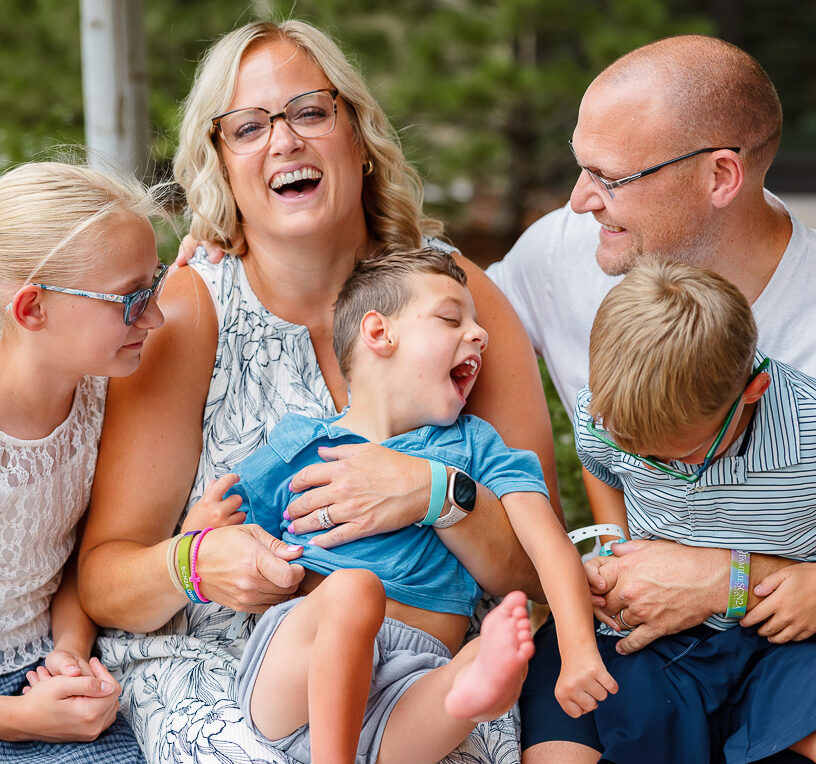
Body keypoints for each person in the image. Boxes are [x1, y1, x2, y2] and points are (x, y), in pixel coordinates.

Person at [78, 20, 557, 764]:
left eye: (309, 112)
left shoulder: (456, 300)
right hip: (236, 675)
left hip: (426, 681)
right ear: (221, 164)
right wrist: (193, 563)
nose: (284, 141)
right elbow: (106, 579)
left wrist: (437, 494)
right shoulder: (190, 312)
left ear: (358, 137)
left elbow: (536, 574)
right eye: (248, 127)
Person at [484, 34, 816, 724]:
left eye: (608, 177)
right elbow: (437, 312)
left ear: (720, 177)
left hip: (788, 653)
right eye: (579, 166)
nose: (580, 200)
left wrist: (735, 579)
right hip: (637, 647)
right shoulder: (564, 251)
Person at [210, 247, 614, 762]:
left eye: (476, 324)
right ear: (379, 333)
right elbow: (226, 528)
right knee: (354, 590)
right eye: (451, 318)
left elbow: (548, 545)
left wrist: (578, 651)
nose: (480, 334)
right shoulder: (304, 443)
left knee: (478, 659)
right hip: (298, 677)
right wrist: (205, 529)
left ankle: (479, 687)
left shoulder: (478, 446)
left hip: (412, 686)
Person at [521, 257, 816, 763]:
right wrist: (615, 541)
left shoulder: (808, 431)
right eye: (634, 450)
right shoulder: (606, 417)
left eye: (681, 455)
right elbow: (600, 466)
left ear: (752, 392)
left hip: (780, 637)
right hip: (661, 636)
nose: (655, 466)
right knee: (634, 723)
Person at [0, 161, 167, 761]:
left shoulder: (100, 395)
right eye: (131, 298)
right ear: (32, 309)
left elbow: (73, 555)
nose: (156, 317)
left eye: (156, 286)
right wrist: (18, 719)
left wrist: (69, 654)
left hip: (47, 671)